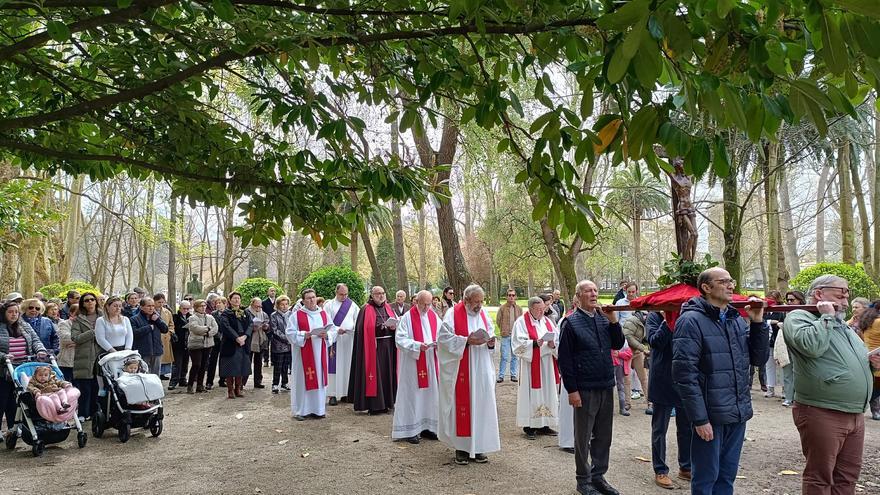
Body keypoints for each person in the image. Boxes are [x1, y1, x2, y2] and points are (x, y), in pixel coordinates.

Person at [672, 268, 768, 495]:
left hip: (737, 412)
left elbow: (758, 358)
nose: (730, 285)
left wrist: (757, 324)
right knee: (706, 478)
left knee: (726, 477)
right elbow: (684, 375)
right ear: (706, 288)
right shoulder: (691, 321)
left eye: (731, 280)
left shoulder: (735, 319)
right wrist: (699, 419)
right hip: (710, 416)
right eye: (723, 281)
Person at [784, 275, 879, 494]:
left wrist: (871, 364)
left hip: (854, 413)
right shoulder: (799, 318)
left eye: (847, 295)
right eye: (840, 295)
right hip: (822, 410)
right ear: (819, 294)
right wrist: (826, 317)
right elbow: (810, 346)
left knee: (847, 476)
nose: (846, 302)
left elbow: (848, 360)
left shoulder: (841, 324)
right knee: (820, 476)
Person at [557, 280, 624, 495]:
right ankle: (583, 480)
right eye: (588, 291)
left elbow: (617, 343)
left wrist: (613, 321)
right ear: (578, 297)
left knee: (604, 436)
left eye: (595, 290)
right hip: (584, 388)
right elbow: (565, 361)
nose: (594, 294)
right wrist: (572, 390)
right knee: (583, 436)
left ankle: (599, 476)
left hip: (605, 384)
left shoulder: (605, 320)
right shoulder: (571, 323)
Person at [437, 284, 500, 465]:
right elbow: (443, 338)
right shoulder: (452, 314)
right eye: (476, 302)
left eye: (481, 301)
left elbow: (489, 331)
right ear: (465, 301)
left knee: (481, 404)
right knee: (463, 406)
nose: (479, 305)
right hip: (461, 368)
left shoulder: (483, 313)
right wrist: (466, 340)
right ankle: (462, 448)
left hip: (481, 367)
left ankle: (479, 446)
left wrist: (490, 341)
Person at [647, 312, 692, 489]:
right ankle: (660, 470)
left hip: (682, 379)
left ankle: (686, 466)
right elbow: (655, 342)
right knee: (659, 429)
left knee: (686, 428)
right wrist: (667, 321)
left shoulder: (686, 317)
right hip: (662, 380)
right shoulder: (654, 318)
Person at [392, 290, 440, 444]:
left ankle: (428, 427)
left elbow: (442, 334)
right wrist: (418, 346)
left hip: (431, 361)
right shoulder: (407, 318)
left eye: (429, 304)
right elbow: (400, 340)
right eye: (424, 304)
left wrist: (439, 343)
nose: (427, 308)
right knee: (413, 395)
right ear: (416, 302)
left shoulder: (434, 316)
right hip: (413, 363)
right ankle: (410, 429)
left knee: (430, 394)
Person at [512, 296, 559, 440]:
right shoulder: (521, 322)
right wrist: (534, 344)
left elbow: (556, 338)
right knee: (531, 394)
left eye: (543, 309)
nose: (541, 312)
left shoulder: (548, 322)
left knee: (547, 392)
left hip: (547, 363)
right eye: (538, 310)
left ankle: (545, 424)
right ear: (531, 308)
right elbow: (517, 345)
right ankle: (530, 426)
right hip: (531, 364)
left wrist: (552, 344)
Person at [0, 301, 49, 433]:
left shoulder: (24, 326)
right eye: (10, 312)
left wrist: (40, 350)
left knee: (17, 400)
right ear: (4, 313)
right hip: (4, 369)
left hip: (22, 368)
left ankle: (13, 427)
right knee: (2, 399)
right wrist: (3, 356)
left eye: (16, 312)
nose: (14, 315)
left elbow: (35, 341)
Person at [287, 288, 335, 420]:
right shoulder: (296, 315)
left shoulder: (323, 314)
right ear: (303, 301)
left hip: (320, 354)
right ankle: (301, 411)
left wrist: (328, 335)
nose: (312, 300)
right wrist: (305, 334)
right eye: (308, 298)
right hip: (303, 355)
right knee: (303, 380)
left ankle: (318, 410)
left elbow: (333, 330)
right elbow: (290, 333)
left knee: (319, 379)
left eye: (313, 297)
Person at [349, 286, 397, 415]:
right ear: (372, 295)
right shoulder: (366, 309)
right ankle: (375, 405)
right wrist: (381, 327)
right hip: (374, 348)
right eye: (378, 294)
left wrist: (394, 327)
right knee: (375, 376)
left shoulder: (388, 307)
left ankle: (387, 403)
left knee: (387, 374)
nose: (381, 296)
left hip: (388, 347)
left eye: (382, 293)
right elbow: (363, 330)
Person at [323, 284, 360, 405]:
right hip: (334, 340)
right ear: (336, 292)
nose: (344, 297)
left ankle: (345, 393)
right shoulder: (328, 305)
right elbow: (325, 321)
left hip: (348, 340)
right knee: (333, 368)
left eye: (346, 294)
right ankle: (332, 394)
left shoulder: (353, 305)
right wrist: (336, 329)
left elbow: (358, 320)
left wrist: (352, 328)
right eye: (341, 294)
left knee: (347, 365)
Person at [70, 293, 102, 421]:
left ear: (96, 301)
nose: (90, 302)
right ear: (82, 303)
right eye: (86, 300)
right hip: (84, 357)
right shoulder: (78, 319)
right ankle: (82, 413)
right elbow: (76, 338)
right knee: (85, 388)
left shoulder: (103, 316)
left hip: (100, 355)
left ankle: (96, 412)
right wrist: (92, 332)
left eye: (92, 299)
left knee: (98, 386)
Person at [217, 292, 252, 399]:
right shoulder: (226, 313)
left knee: (241, 367)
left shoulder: (245, 312)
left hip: (243, 342)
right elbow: (226, 327)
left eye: (238, 298)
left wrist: (245, 337)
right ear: (230, 300)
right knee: (230, 368)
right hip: (231, 343)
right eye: (234, 298)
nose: (237, 300)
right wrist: (237, 338)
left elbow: (250, 324)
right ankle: (230, 390)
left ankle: (238, 388)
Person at [778, 290, 806, 407]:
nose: (789, 302)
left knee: (799, 374)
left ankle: (799, 399)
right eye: (788, 300)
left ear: (800, 300)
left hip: (799, 348)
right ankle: (789, 398)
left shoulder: (805, 313)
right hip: (785, 346)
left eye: (792, 300)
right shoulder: (784, 312)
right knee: (787, 373)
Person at [184, 299, 218, 394]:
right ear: (196, 307)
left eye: (204, 306)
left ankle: (200, 385)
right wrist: (208, 328)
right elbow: (195, 329)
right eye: (201, 306)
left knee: (203, 365)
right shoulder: (192, 318)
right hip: (196, 345)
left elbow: (215, 328)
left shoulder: (210, 317)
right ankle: (190, 385)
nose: (203, 307)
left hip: (208, 344)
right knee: (196, 364)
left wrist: (207, 333)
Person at [129, 298, 170, 377]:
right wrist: (148, 328)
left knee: (155, 376)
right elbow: (134, 333)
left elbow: (165, 329)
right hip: (143, 352)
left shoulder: (156, 317)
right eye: (148, 306)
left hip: (156, 351)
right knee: (143, 375)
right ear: (141, 307)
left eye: (153, 306)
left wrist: (158, 320)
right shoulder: (134, 319)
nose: (151, 308)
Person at [558, 296, 578, 454]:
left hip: (585, 372)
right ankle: (567, 440)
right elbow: (560, 346)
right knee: (568, 408)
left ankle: (581, 439)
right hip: (571, 369)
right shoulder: (566, 321)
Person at [621, 309, 650, 414]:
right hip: (627, 353)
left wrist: (648, 347)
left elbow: (645, 337)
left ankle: (650, 403)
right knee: (627, 379)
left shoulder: (645, 322)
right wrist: (643, 348)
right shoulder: (632, 321)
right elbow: (627, 336)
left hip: (638, 352)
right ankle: (626, 403)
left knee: (644, 377)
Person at [495, 289, 522, 383]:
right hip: (505, 335)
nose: (511, 297)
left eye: (513, 295)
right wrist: (503, 329)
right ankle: (501, 375)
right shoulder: (502, 308)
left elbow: (521, 322)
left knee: (515, 356)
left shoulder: (519, 309)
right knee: (504, 356)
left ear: (515, 297)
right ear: (506, 296)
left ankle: (513, 375)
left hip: (515, 336)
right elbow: (498, 321)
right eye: (509, 295)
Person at [859, 300, 880, 420]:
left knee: (875, 386)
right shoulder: (878, 322)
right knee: (875, 389)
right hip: (877, 357)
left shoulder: (868, 320)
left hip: (870, 356)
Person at [763, 290, 786, 399]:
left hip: (779, 340)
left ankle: (784, 388)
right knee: (769, 365)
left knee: (782, 364)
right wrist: (771, 322)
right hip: (768, 341)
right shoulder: (765, 310)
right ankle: (770, 388)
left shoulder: (782, 309)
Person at [163, 294, 187, 390]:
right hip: (178, 343)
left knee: (185, 363)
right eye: (184, 308)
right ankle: (174, 380)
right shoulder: (175, 317)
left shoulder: (190, 317)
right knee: (177, 363)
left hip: (188, 343)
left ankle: (183, 379)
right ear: (180, 308)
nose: (185, 310)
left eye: (187, 308)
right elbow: (172, 327)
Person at [269, 296, 293, 394]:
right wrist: (286, 338)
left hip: (289, 345)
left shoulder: (291, 315)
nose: (284, 306)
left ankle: (285, 383)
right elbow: (275, 330)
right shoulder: (274, 315)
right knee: (278, 366)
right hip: (278, 345)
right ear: (278, 305)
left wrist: (291, 338)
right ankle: (275, 384)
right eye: (282, 304)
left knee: (286, 365)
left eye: (286, 304)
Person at [246, 297, 269, 389]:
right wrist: (252, 328)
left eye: (260, 306)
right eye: (257, 306)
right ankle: (243, 382)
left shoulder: (263, 313)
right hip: (250, 340)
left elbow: (268, 324)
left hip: (261, 340)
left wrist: (266, 327)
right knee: (247, 361)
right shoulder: (246, 312)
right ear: (252, 304)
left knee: (259, 362)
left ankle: (258, 381)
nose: (259, 308)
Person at [205, 297, 227, 391]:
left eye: (220, 303)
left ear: (225, 304)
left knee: (224, 361)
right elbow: (211, 326)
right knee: (212, 362)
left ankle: (223, 380)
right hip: (215, 340)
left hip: (226, 340)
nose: (218, 304)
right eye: (216, 303)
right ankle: (209, 382)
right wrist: (218, 335)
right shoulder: (213, 314)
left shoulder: (228, 313)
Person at [56, 303, 78, 381]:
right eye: (77, 313)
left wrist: (77, 343)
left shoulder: (87, 325)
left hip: (81, 364)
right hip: (67, 362)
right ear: (71, 313)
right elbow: (66, 338)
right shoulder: (64, 324)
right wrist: (84, 341)